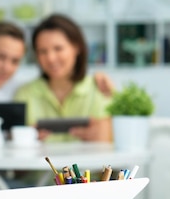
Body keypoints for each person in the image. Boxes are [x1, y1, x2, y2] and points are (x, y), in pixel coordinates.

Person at [13, 13, 113, 142]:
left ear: (76, 47)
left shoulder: (100, 89)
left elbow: (107, 146)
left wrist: (99, 136)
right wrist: (26, 139)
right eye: (42, 51)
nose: (50, 58)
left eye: (58, 48)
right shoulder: (24, 94)